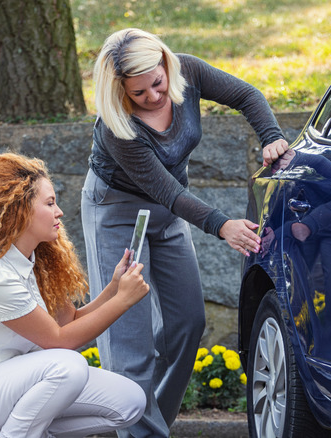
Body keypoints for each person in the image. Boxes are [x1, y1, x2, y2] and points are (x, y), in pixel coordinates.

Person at [81, 28, 289, 436]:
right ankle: (142, 430)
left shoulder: (188, 71)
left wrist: (273, 138)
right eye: (138, 93)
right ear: (120, 90)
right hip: (117, 213)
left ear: (164, 64)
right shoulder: (116, 126)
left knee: (188, 322)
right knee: (129, 339)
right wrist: (221, 225)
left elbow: (247, 95)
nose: (154, 97)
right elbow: (167, 191)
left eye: (157, 83)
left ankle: (142, 419)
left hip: (169, 211)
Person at [0, 152, 149, 438]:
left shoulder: (38, 260)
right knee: (69, 366)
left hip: (25, 383)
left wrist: (113, 289)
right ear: (19, 210)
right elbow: (59, 341)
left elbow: (67, 321)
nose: (59, 211)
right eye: (49, 203)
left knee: (130, 401)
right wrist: (123, 301)